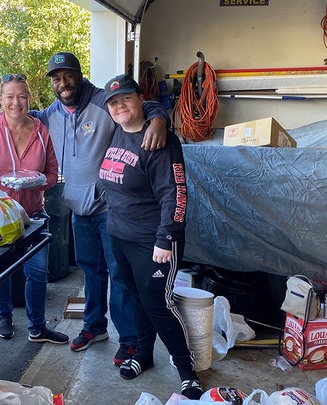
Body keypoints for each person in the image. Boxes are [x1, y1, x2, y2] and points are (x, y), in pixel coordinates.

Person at [30, 52, 169, 366]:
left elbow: (141, 105)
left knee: (120, 275)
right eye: (56, 78)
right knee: (90, 272)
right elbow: (21, 115)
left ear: (80, 75)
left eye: (68, 76)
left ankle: (130, 340)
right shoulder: (50, 114)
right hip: (79, 209)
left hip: (111, 208)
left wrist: (159, 118)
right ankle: (95, 327)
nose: (63, 83)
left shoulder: (103, 100)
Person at [98, 73, 203, 399]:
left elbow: (176, 196)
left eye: (126, 98)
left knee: (159, 304)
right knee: (137, 298)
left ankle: (188, 372)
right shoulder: (117, 131)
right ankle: (143, 355)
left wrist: (165, 238)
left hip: (153, 242)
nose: (120, 106)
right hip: (120, 235)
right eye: (113, 102)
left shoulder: (160, 142)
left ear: (139, 98)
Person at [0, 73, 68, 344]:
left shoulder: (41, 131)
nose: (16, 102)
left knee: (37, 273)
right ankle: (5, 316)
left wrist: (36, 182)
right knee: (2, 272)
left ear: (29, 99)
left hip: (33, 215)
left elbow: (53, 174)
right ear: (0, 99)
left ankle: (37, 327)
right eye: (9, 96)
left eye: (21, 96)